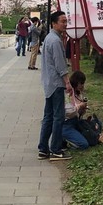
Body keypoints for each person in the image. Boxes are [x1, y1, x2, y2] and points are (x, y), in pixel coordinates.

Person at [37, 10, 71, 161]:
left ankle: (43, 149)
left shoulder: (49, 38)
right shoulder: (56, 41)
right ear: (54, 23)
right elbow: (60, 65)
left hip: (48, 83)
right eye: (62, 21)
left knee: (48, 116)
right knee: (58, 117)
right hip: (56, 83)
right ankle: (56, 149)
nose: (65, 24)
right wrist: (67, 82)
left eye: (66, 21)